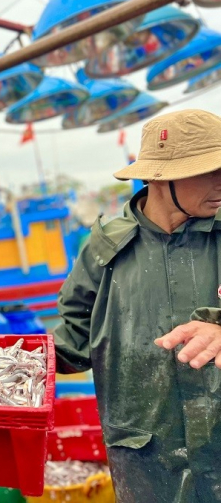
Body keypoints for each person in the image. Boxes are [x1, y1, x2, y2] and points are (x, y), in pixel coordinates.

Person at [55, 108, 221, 502]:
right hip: (145, 463)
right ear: (160, 177)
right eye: (209, 170)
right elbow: (70, 345)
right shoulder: (104, 248)